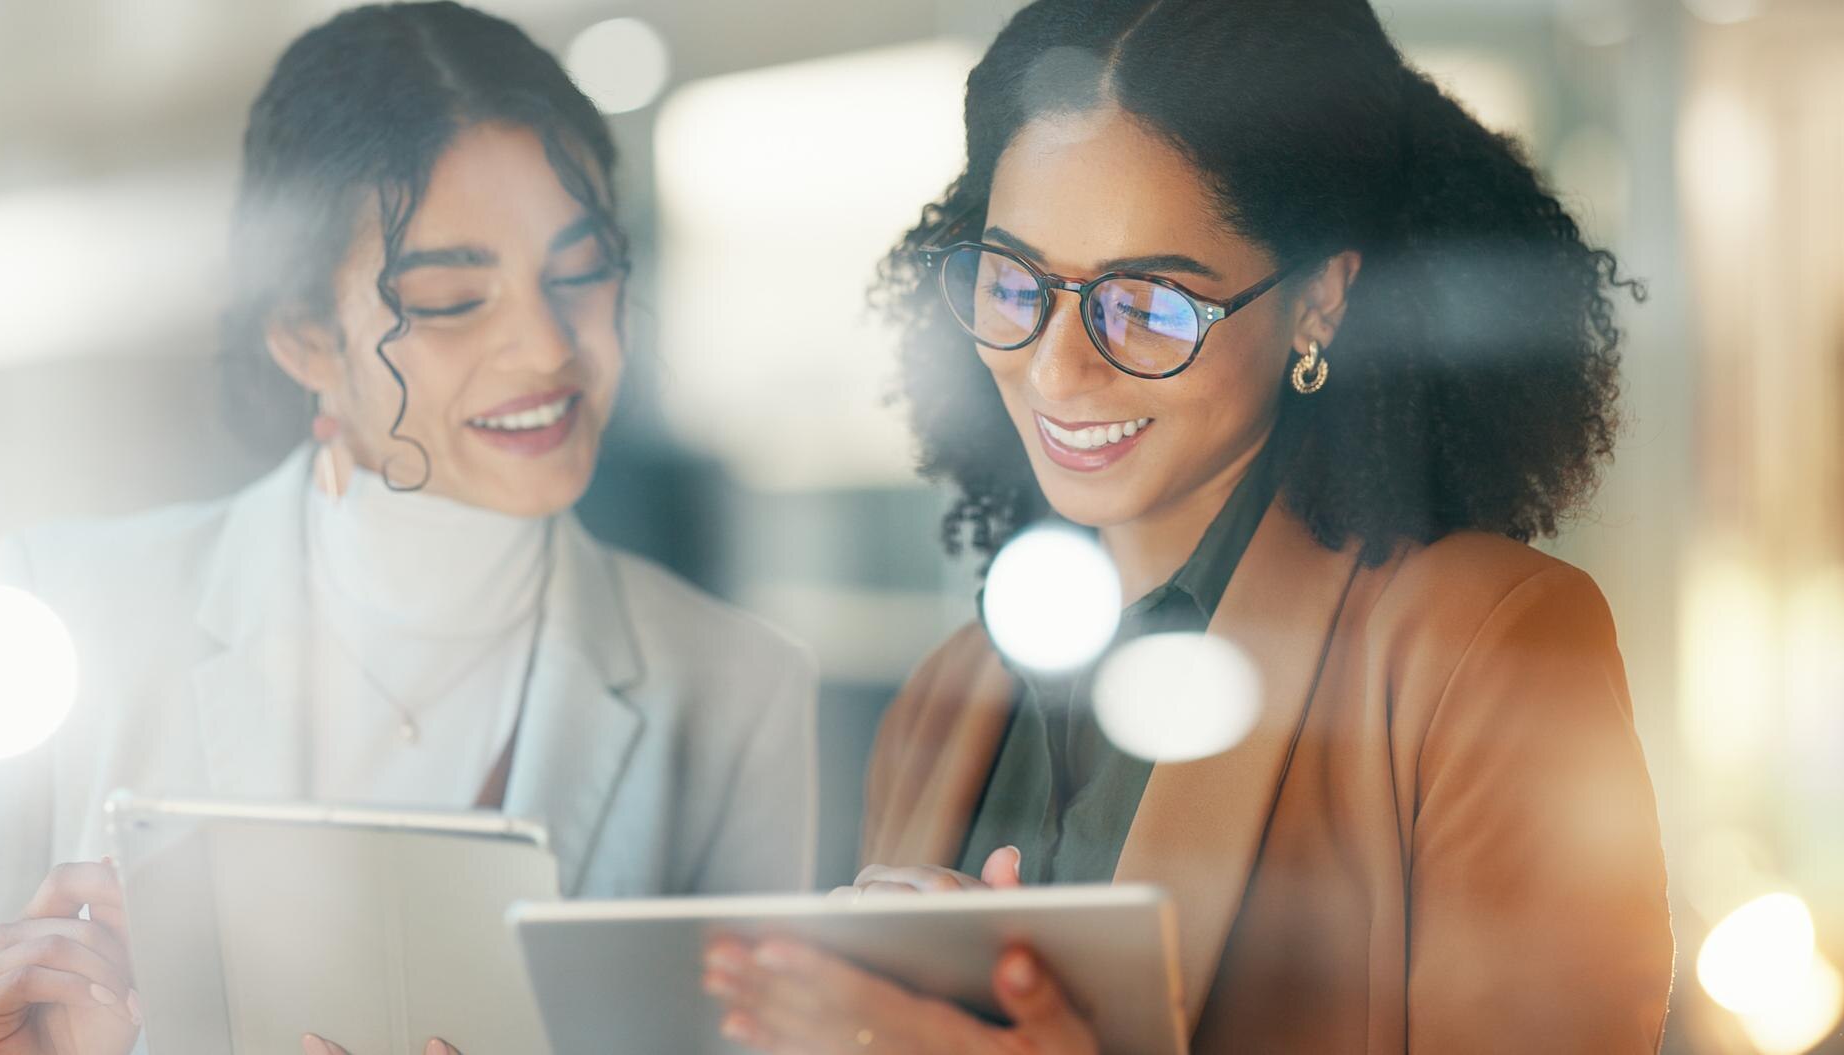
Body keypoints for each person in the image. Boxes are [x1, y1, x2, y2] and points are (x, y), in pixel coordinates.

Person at [701, 0, 1671, 1050]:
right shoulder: (943, 699)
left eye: (1151, 302)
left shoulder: (1482, 647)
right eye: (1013, 279)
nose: (1054, 366)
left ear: (1318, 304)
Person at [0, 5, 817, 1053]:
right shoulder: (64, 613)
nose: (546, 344)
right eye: (452, 298)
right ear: (304, 335)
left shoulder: (734, 689)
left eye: (580, 272)